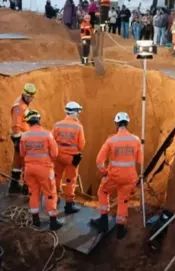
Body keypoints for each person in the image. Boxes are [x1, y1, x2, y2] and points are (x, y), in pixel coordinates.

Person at [90, 112, 143, 240]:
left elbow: (99, 161)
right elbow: (140, 160)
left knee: (103, 191)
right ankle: (120, 229)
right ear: (127, 123)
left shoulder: (111, 140)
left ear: (116, 124)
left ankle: (103, 222)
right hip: (130, 177)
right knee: (123, 200)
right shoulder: (136, 140)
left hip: (113, 176)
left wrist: (104, 172)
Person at [20, 109, 63, 230]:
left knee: (33, 193)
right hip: (44, 169)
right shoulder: (47, 134)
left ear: (28, 122)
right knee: (50, 194)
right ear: (39, 120)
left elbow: (22, 153)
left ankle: (35, 220)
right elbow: (54, 153)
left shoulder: (24, 136)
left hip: (29, 169)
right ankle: (53, 221)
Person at [52, 102, 85, 214]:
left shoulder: (57, 125)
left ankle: (54, 200)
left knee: (56, 177)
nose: (78, 114)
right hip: (71, 158)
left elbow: (52, 140)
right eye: (78, 112)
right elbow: (81, 145)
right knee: (70, 180)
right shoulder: (78, 126)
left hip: (58, 156)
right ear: (74, 112)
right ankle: (69, 205)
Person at [9, 83, 37, 194]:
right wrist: (17, 141)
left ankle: (14, 186)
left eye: (30, 97)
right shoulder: (19, 107)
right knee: (26, 162)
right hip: (20, 139)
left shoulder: (22, 104)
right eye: (27, 96)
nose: (29, 98)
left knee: (18, 162)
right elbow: (16, 125)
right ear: (24, 94)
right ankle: (26, 188)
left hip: (21, 138)